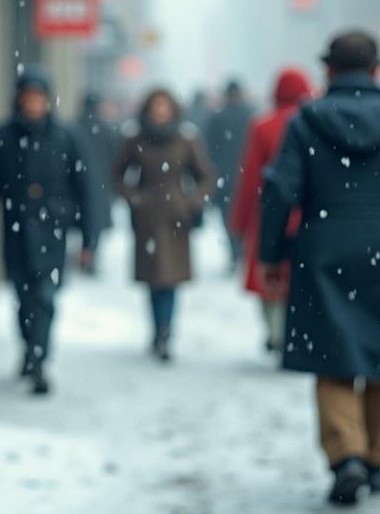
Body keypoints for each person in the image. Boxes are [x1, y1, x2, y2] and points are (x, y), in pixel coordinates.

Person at [259, 31, 380, 506]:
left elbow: (281, 189)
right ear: (377, 71)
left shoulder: (307, 121)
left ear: (329, 71)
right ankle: (375, 457)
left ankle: (347, 457)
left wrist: (271, 253)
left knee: (332, 360)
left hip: (323, 246)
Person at [0, 65, 95, 395]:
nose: (34, 103)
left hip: (54, 233)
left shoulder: (65, 137)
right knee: (24, 298)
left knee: (46, 298)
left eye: (39, 97)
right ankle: (29, 350)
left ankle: (39, 361)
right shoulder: (2, 137)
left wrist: (88, 237)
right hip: (16, 232)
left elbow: (85, 189)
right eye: (28, 96)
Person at [115, 89, 215, 361]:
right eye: (156, 107)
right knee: (152, 279)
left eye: (164, 107)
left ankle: (166, 332)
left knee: (170, 279)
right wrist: (135, 198)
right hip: (147, 218)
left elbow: (205, 176)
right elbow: (118, 174)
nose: (160, 112)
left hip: (176, 218)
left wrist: (192, 201)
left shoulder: (186, 140)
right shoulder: (136, 140)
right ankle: (157, 330)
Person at [229, 68, 312, 354]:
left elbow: (251, 177)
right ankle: (294, 332)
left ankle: (276, 332)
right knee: (299, 279)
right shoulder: (314, 123)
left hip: (269, 212)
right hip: (307, 214)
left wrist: (239, 220)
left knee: (269, 276)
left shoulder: (263, 126)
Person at [205, 80, 253, 271]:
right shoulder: (250, 115)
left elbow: (209, 149)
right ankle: (243, 251)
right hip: (246, 175)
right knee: (247, 216)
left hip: (225, 176)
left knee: (228, 218)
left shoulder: (217, 118)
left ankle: (235, 253)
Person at [75, 91, 122, 272]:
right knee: (95, 221)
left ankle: (86, 253)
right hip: (100, 182)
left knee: (85, 219)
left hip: (82, 181)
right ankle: (91, 253)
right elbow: (115, 158)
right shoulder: (106, 130)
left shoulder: (75, 128)